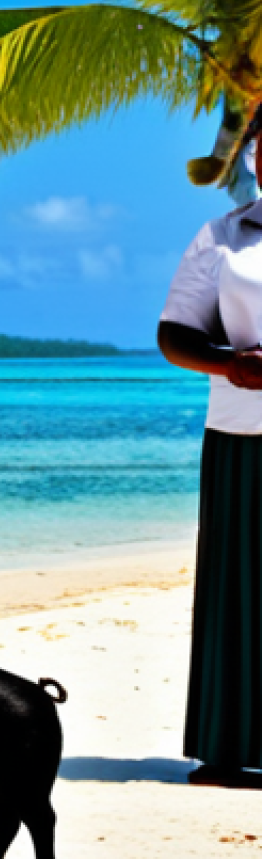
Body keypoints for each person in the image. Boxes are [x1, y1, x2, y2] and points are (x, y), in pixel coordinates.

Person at [158, 105, 262, 790]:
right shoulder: (222, 237)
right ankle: (226, 750)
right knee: (238, 593)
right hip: (242, 434)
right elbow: (174, 335)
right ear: (253, 155)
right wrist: (229, 363)